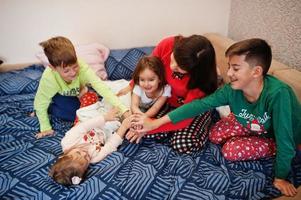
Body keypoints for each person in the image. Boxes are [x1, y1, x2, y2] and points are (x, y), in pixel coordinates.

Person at [132, 38, 301, 197]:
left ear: (256, 71)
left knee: (229, 151)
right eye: (229, 67)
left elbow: (286, 140)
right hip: (250, 123)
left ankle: (271, 146)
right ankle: (249, 132)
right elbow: (198, 105)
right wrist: (155, 123)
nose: (228, 73)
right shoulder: (231, 90)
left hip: (274, 135)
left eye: (235, 68)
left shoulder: (278, 95)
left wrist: (280, 177)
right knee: (214, 133)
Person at [120, 35, 218, 154]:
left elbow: (186, 114)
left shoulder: (201, 82)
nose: (172, 67)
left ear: (195, 71)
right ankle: (168, 131)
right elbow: (146, 68)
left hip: (189, 111)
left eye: (179, 68)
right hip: (169, 103)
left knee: (182, 144)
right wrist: (131, 85)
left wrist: (152, 126)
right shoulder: (168, 44)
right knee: (142, 130)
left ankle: (205, 122)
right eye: (173, 59)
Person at [33, 36, 129, 139]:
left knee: (88, 114)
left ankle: (81, 94)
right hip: (60, 95)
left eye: (75, 66)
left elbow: (101, 87)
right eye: (66, 71)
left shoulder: (82, 67)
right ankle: (50, 108)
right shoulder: (49, 78)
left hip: (79, 92)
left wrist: (124, 110)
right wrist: (45, 127)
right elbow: (41, 101)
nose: (73, 73)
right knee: (73, 115)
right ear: (53, 68)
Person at [49, 108, 131, 186]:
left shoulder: (68, 142)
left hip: (91, 119)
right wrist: (124, 127)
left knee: (100, 107)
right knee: (125, 114)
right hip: (106, 130)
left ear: (64, 155)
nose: (84, 153)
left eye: (78, 153)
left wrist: (105, 117)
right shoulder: (95, 158)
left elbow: (84, 126)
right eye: (86, 158)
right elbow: (111, 145)